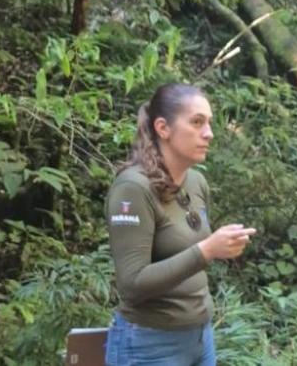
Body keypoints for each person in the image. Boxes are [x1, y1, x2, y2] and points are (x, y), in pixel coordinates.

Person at [104, 83, 256, 366]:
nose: (209, 133)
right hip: (149, 344)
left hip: (200, 338)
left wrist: (222, 247)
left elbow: (189, 258)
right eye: (197, 122)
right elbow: (132, 284)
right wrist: (207, 250)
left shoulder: (197, 182)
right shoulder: (132, 189)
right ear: (163, 128)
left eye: (209, 123)